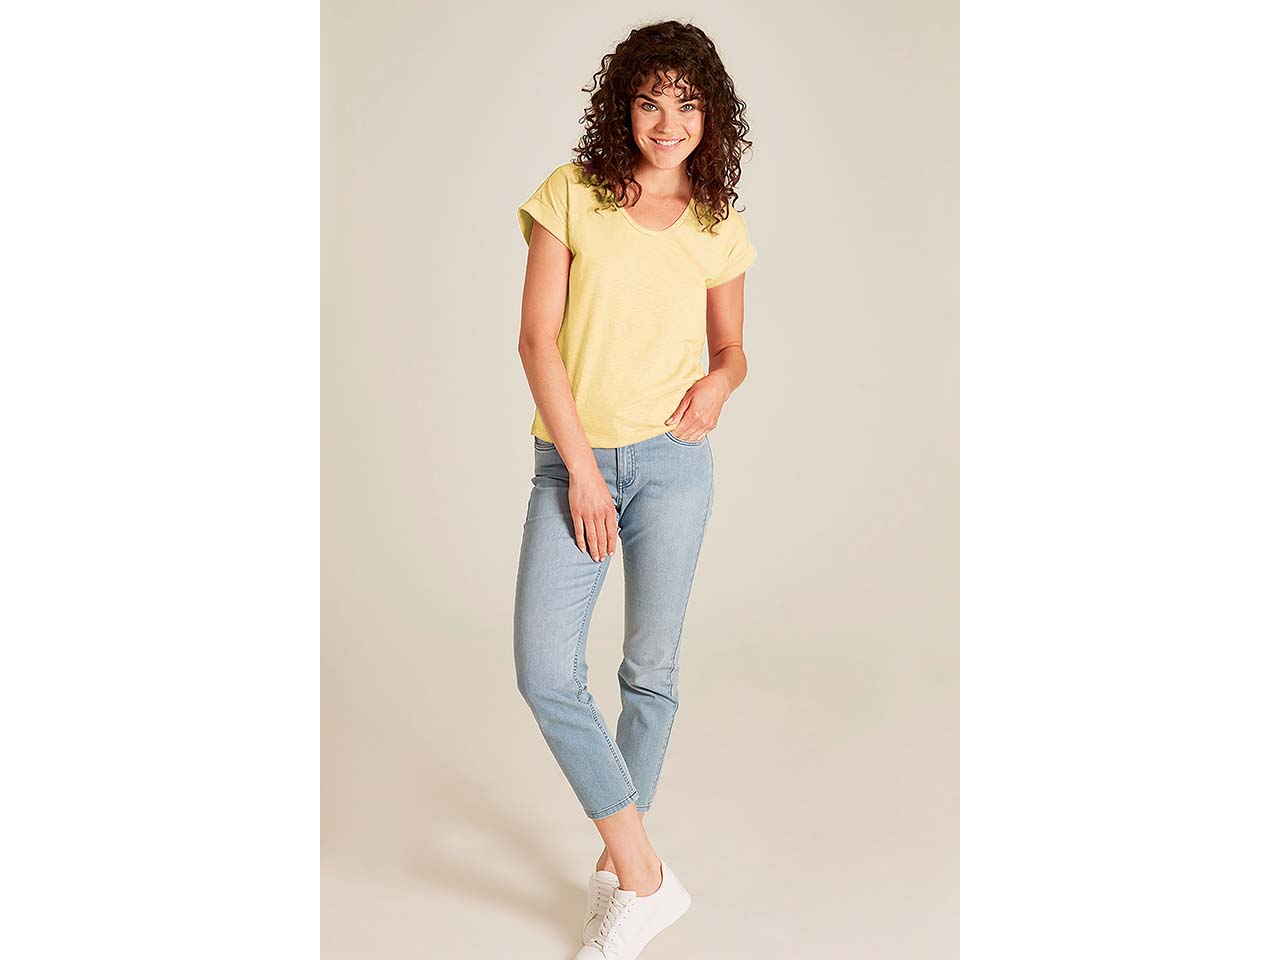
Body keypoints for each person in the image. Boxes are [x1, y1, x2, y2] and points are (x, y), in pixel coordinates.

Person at [513, 20, 758, 960]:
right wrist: (581, 471)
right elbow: (537, 341)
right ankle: (647, 876)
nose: (667, 123)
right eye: (650, 101)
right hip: (574, 462)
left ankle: (621, 875)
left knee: (650, 673)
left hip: (673, 465)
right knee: (546, 672)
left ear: (710, 114)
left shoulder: (717, 222)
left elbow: (733, 349)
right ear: (623, 106)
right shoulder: (571, 195)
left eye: (686, 104)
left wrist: (720, 383)